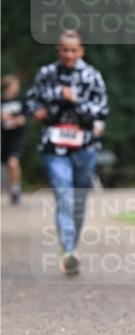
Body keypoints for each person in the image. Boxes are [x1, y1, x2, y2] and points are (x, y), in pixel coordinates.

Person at [25, 30, 109, 276]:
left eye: (74, 50)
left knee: (79, 201)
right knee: (64, 195)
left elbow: (101, 112)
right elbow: (30, 100)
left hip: (85, 146)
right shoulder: (46, 74)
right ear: (58, 50)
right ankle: (69, 251)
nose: (69, 54)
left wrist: (74, 100)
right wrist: (37, 110)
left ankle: (73, 244)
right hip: (54, 145)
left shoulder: (92, 76)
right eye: (65, 50)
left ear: (81, 51)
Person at [1, 74, 26, 205]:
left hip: (16, 136)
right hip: (4, 137)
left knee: (13, 162)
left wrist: (19, 120)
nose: (17, 88)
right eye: (15, 85)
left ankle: (16, 188)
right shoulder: (1, 101)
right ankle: (12, 188)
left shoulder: (21, 100)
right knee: (7, 165)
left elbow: (25, 116)